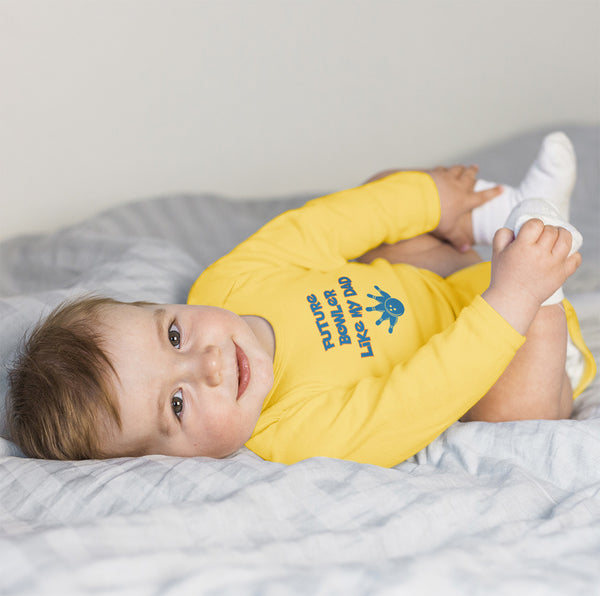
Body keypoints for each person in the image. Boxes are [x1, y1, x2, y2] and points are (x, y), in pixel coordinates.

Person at [6, 132, 596, 466]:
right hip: (504, 355)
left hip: (443, 282)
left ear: (159, 309)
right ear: (168, 460)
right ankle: (543, 260)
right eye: (178, 406)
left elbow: (324, 227)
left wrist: (425, 198)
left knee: (382, 194)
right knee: (511, 419)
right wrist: (512, 298)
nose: (208, 364)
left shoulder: (226, 284)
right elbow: (423, 394)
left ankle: (512, 212)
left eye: (175, 336)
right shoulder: (291, 433)